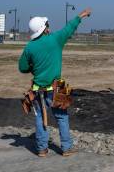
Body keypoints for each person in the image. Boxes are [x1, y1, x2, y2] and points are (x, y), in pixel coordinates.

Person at [18, 8, 92, 157]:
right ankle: (66, 148)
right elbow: (69, 28)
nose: (49, 27)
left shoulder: (30, 47)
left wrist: (34, 67)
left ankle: (41, 149)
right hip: (58, 87)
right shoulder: (55, 39)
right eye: (47, 25)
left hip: (37, 89)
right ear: (44, 29)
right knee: (62, 117)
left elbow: (22, 67)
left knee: (39, 118)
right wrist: (80, 16)